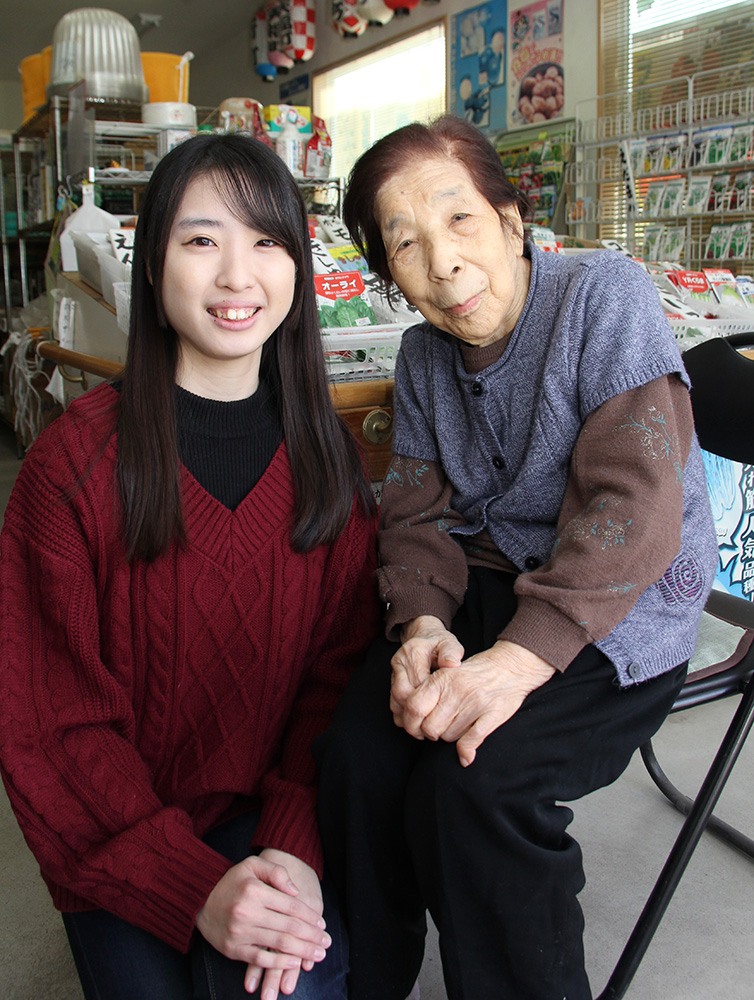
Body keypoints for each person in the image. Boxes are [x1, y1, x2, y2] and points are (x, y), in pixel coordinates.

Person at [314, 115, 718, 1000]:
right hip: (486, 588)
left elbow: (635, 507)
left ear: (509, 218)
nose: (443, 264)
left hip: (622, 606)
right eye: (405, 244)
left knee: (473, 793)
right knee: (353, 755)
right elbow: (417, 509)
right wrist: (421, 624)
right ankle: (362, 982)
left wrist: (515, 664)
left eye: (459, 222)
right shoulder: (424, 355)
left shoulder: (601, 294)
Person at [0, 132, 379, 1000]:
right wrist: (193, 888)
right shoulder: (72, 470)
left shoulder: (331, 462)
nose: (237, 277)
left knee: (282, 992)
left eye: (267, 242)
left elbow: (335, 684)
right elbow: (47, 728)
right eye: (202, 240)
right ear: (154, 264)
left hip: (272, 820)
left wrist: (290, 845)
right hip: (117, 831)